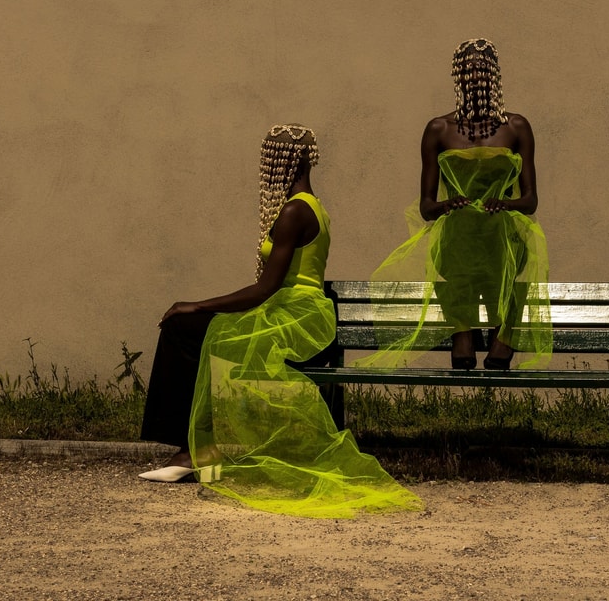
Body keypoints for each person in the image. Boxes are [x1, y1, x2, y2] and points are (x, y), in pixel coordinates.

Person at [138, 124, 422, 518]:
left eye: (268, 160)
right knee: (192, 334)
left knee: (185, 328)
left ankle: (194, 451)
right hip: (295, 306)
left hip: (295, 313)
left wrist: (197, 305)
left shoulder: (294, 211)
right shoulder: (312, 205)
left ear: (280, 162)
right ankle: (197, 449)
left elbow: (264, 289)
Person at [360, 38, 551, 371]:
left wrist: (505, 206)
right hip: (458, 241)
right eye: (467, 70)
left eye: (482, 70)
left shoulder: (517, 127)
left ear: (495, 76)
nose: (475, 77)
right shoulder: (438, 129)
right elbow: (426, 207)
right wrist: (449, 205)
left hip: (500, 238)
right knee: (457, 233)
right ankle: (461, 331)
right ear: (457, 77)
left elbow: (531, 200)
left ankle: (502, 333)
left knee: (504, 237)